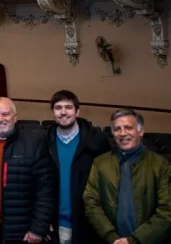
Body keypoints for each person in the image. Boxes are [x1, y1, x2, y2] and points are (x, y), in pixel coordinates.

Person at [83, 110, 171, 244]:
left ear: (141, 132)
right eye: (117, 129)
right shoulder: (100, 163)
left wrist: (135, 240)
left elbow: (169, 210)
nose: (123, 133)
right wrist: (112, 237)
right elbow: (91, 203)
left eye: (128, 128)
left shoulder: (161, 165)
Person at [0, 97, 54, 244]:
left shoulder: (33, 145)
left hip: (21, 231)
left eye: (5, 114)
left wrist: (38, 227)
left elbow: (45, 190)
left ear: (15, 117)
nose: (0, 119)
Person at [46, 90, 111, 244]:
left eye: (68, 107)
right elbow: (39, 184)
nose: (63, 112)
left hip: (87, 227)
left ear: (77, 111)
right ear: (53, 112)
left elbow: (108, 185)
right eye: (58, 107)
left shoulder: (98, 141)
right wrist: (42, 219)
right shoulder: (44, 142)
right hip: (54, 227)